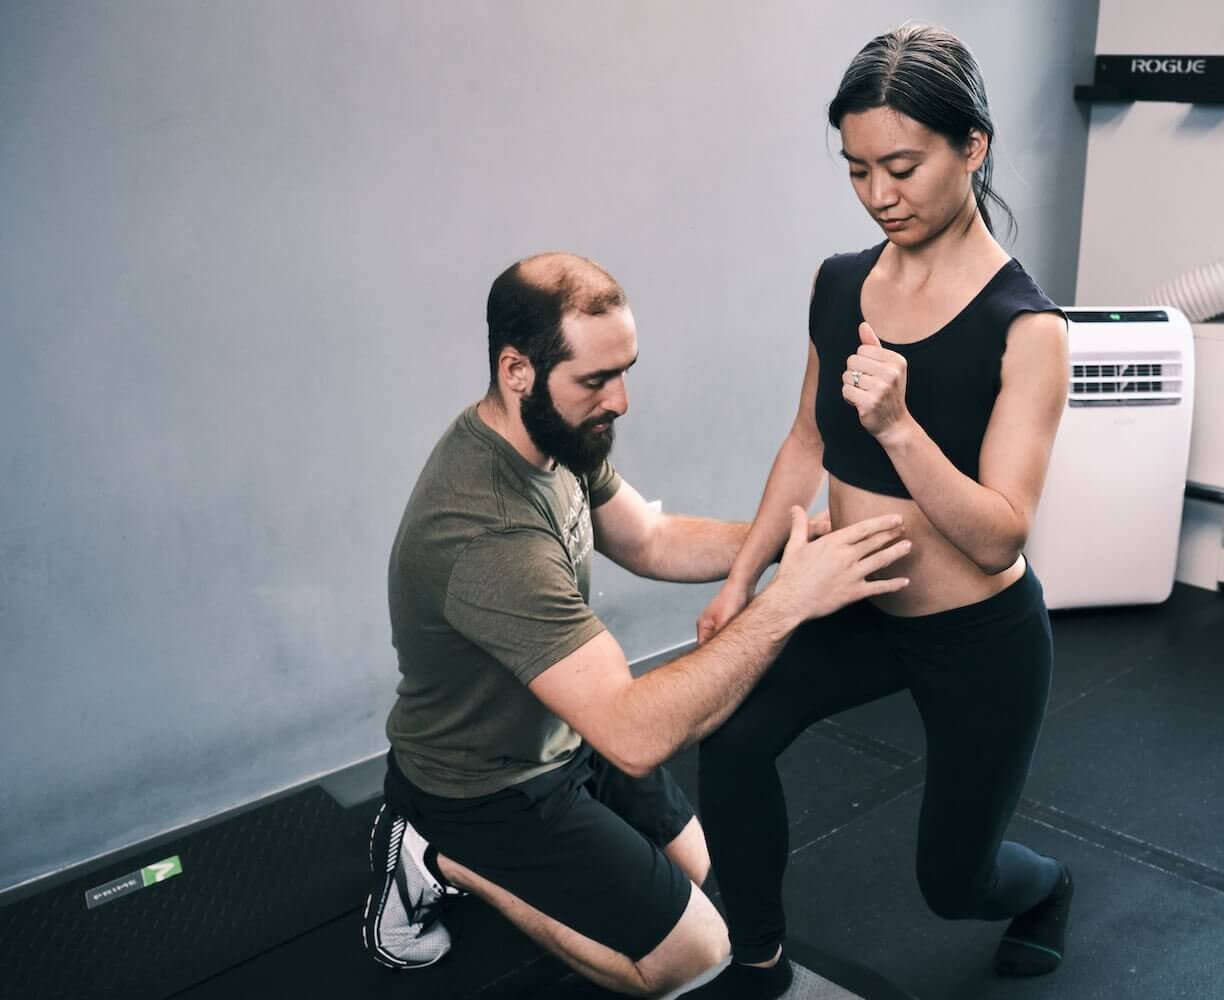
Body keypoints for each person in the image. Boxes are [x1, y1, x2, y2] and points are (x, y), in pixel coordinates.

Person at [365, 252, 912, 998]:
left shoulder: (556, 438)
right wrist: (789, 601)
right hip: (484, 786)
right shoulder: (484, 533)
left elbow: (648, 540)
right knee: (694, 956)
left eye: (624, 371)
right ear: (516, 368)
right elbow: (634, 734)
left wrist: (785, 546)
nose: (619, 400)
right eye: (596, 380)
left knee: (712, 871)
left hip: (568, 739)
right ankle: (436, 858)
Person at [689, 23, 1073, 998]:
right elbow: (806, 442)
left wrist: (900, 427)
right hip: (857, 601)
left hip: (980, 634)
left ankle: (1049, 887)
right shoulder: (839, 283)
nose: (879, 194)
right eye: (858, 169)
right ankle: (760, 957)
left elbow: (999, 538)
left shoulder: (1024, 327)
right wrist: (743, 583)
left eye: (901, 166)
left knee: (953, 882)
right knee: (728, 737)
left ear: (971, 147)